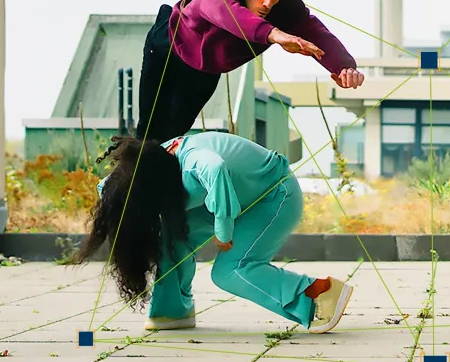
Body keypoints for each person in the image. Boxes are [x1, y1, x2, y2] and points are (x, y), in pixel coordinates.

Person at [76, 130, 353, 333]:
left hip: (275, 195)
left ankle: (318, 294)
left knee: (229, 271)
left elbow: (217, 168)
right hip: (241, 196)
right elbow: (108, 188)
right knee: (171, 235)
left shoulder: (193, 157)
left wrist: (224, 229)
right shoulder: (145, 169)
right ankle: (171, 310)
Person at [134, 0, 364, 146]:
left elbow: (316, 31)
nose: (268, 3)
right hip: (169, 49)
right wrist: (273, 34)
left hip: (204, 70)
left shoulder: (285, 7)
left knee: (171, 138)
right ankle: (121, 189)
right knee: (149, 135)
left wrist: (344, 67)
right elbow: (228, 14)